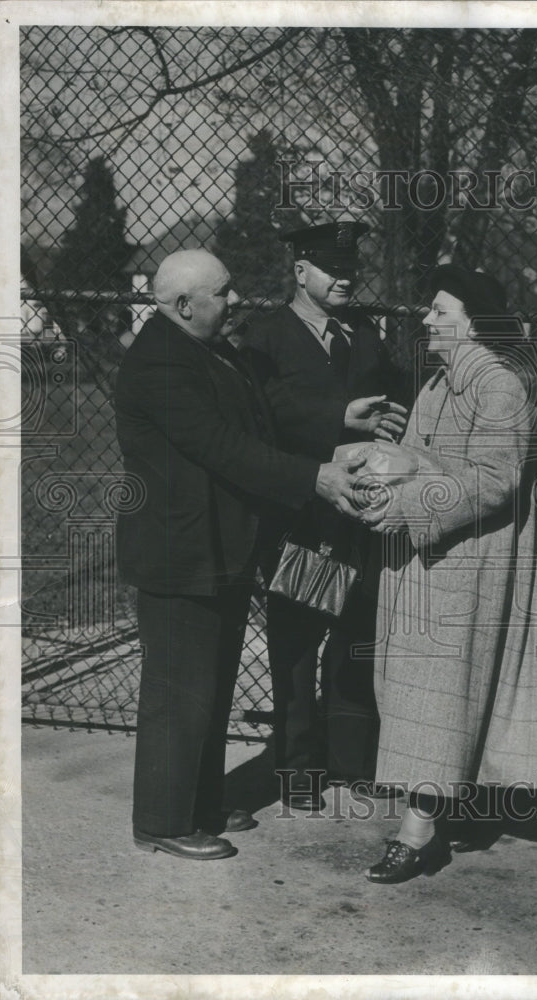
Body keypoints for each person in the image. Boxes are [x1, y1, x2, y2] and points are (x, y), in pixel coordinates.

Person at [114, 249, 367, 860]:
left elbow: (257, 419)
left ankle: (198, 802)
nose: (236, 303)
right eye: (223, 293)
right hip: (181, 551)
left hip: (219, 546)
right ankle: (162, 820)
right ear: (181, 306)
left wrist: (334, 424)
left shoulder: (207, 349)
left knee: (211, 683)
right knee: (180, 689)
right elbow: (224, 446)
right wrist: (315, 478)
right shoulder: (159, 365)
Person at [360, 264, 537, 884]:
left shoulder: (496, 387)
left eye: (440, 310)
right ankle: (448, 805)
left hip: (467, 559)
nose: (427, 318)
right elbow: (438, 461)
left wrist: (405, 502)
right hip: (429, 558)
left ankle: (417, 833)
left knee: (439, 691)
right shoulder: (440, 384)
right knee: (426, 692)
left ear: (473, 324)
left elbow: (494, 480)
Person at [241, 221, 407, 810]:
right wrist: (341, 416)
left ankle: (351, 761)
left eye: (351, 268)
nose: (345, 278)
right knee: (297, 647)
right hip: (304, 516)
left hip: (362, 514)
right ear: (300, 271)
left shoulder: (362, 332)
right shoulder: (265, 338)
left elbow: (391, 396)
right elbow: (263, 415)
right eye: (332, 268)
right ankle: (298, 773)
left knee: (355, 638)